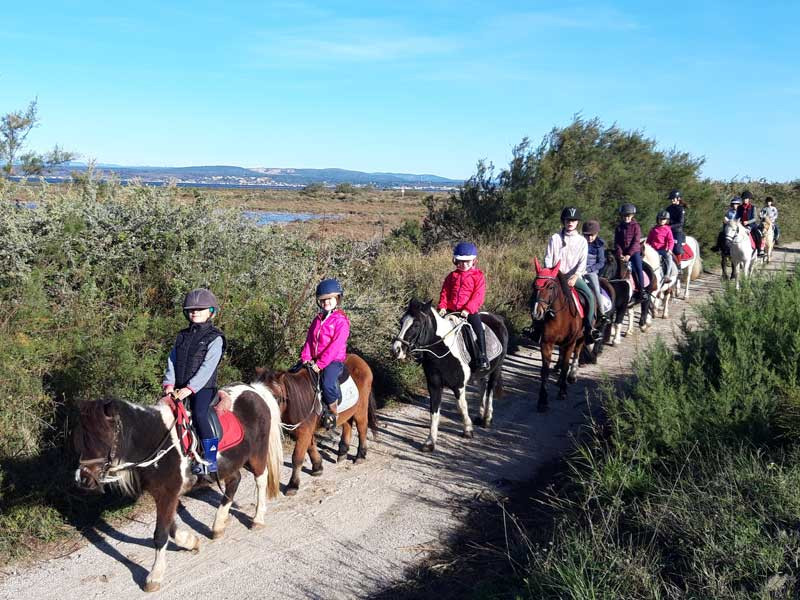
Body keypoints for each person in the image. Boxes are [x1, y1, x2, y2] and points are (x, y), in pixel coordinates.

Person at [163, 288, 226, 475]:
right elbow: (172, 360)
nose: (195, 312)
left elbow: (208, 367)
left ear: (211, 312)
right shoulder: (182, 335)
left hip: (203, 388)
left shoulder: (215, 338)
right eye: (191, 309)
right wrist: (169, 383)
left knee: (199, 414)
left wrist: (190, 389)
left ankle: (209, 458)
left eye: (200, 309)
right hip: (179, 387)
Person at [544, 207, 600, 343]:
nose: (570, 222)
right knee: (538, 293)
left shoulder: (582, 241)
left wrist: (576, 276)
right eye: (568, 220)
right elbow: (548, 257)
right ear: (564, 221)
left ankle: (589, 327)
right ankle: (535, 327)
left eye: (574, 220)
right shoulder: (555, 238)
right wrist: (550, 273)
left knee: (590, 296)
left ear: (577, 223)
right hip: (555, 276)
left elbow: (582, 262)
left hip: (573, 277)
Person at [300, 278, 350, 429]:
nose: (326, 302)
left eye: (330, 299)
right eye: (323, 300)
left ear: (337, 299)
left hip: (333, 360)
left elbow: (335, 346)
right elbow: (309, 340)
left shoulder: (341, 321)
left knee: (328, 383)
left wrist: (321, 364)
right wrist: (305, 357)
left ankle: (333, 411)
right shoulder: (317, 319)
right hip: (314, 359)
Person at [438, 241, 489, 370]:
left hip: (468, 311)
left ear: (473, 261)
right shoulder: (452, 276)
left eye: (467, 261)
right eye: (460, 261)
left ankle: (482, 356)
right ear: (455, 261)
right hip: (450, 310)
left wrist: (467, 309)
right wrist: (443, 306)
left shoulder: (478, 276)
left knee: (478, 328)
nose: (464, 264)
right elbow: (445, 292)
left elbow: (478, 295)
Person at [614, 203, 645, 299]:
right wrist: (620, 254)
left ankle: (641, 290)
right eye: (624, 216)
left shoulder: (636, 226)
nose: (626, 217)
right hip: (622, 252)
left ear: (632, 215)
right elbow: (617, 242)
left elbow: (636, 242)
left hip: (634, 251)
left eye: (628, 216)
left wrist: (629, 255)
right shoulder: (619, 227)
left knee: (638, 268)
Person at [582, 219, 607, 322]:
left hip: (591, 272)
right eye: (587, 235)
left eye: (592, 235)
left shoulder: (599, 245)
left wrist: (588, 269)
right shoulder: (580, 242)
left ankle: (602, 312)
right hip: (578, 269)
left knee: (596, 289)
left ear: (596, 234)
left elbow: (601, 263)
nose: (590, 238)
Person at [646, 210, 676, 282]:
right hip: (653, 250)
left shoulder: (668, 230)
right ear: (658, 219)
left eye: (664, 219)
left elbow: (671, 241)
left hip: (662, 250)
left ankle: (667, 275)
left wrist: (669, 249)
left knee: (669, 257)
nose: (662, 220)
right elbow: (649, 240)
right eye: (661, 219)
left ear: (667, 220)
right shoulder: (653, 229)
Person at [737, 190, 763, 256]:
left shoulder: (753, 207)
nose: (745, 200)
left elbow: (755, 218)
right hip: (741, 225)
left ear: (749, 199)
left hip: (751, 225)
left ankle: (759, 249)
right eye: (743, 199)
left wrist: (747, 222)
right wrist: (737, 221)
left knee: (758, 234)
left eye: (746, 199)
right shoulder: (739, 207)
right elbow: (737, 216)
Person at [664, 189, 687, 256]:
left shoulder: (681, 209)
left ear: (678, 198)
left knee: (677, 250)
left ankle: (679, 265)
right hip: (667, 230)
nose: (672, 200)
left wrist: (670, 226)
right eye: (671, 199)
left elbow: (681, 223)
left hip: (677, 231)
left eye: (673, 198)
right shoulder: (668, 208)